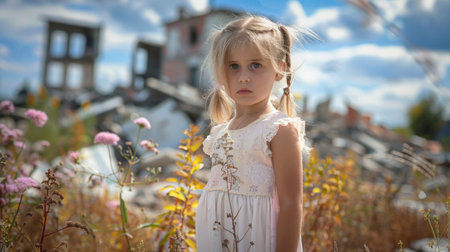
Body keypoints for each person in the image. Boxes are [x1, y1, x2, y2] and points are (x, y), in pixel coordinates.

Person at [196, 15, 310, 252]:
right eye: (233, 66)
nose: (244, 76)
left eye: (256, 65)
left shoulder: (278, 130)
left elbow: (291, 204)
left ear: (280, 68)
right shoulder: (220, 133)